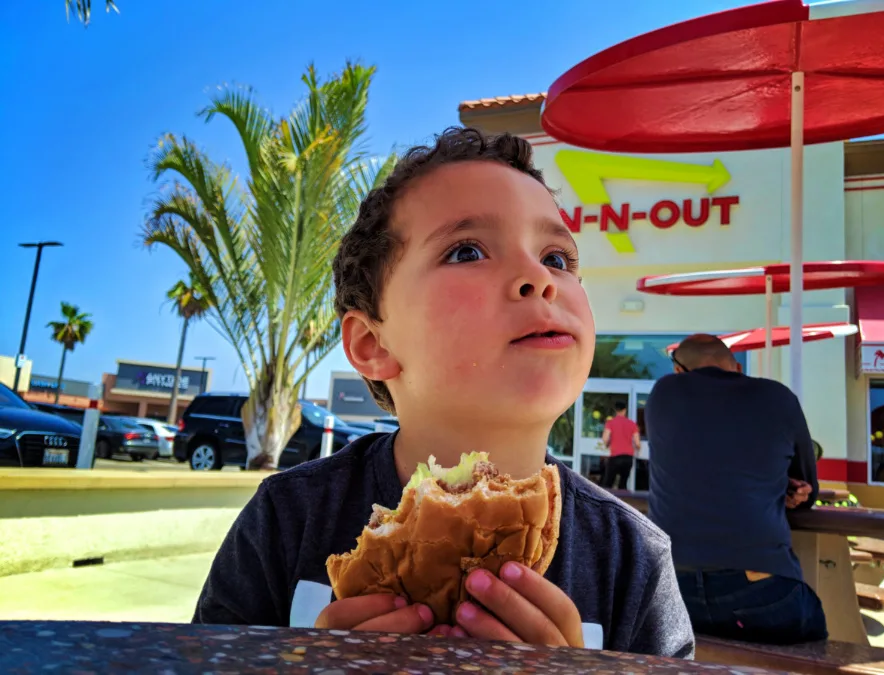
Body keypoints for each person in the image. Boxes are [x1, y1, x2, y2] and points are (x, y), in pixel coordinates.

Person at [191, 127, 694, 658]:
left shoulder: (632, 558)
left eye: (557, 258)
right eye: (467, 251)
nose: (537, 278)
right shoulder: (289, 519)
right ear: (372, 343)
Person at [644, 333, 826, 645]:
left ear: (677, 371)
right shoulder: (778, 397)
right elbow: (808, 489)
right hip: (763, 586)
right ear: (738, 367)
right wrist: (789, 489)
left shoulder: (662, 394)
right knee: (814, 637)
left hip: (672, 588)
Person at [601, 401, 640, 489]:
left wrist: (607, 444)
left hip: (615, 456)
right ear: (625, 410)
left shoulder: (610, 423)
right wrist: (638, 449)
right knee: (623, 483)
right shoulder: (632, 424)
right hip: (628, 457)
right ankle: (622, 502)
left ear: (615, 410)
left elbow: (605, 439)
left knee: (608, 483)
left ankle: (607, 502)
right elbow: (637, 443)